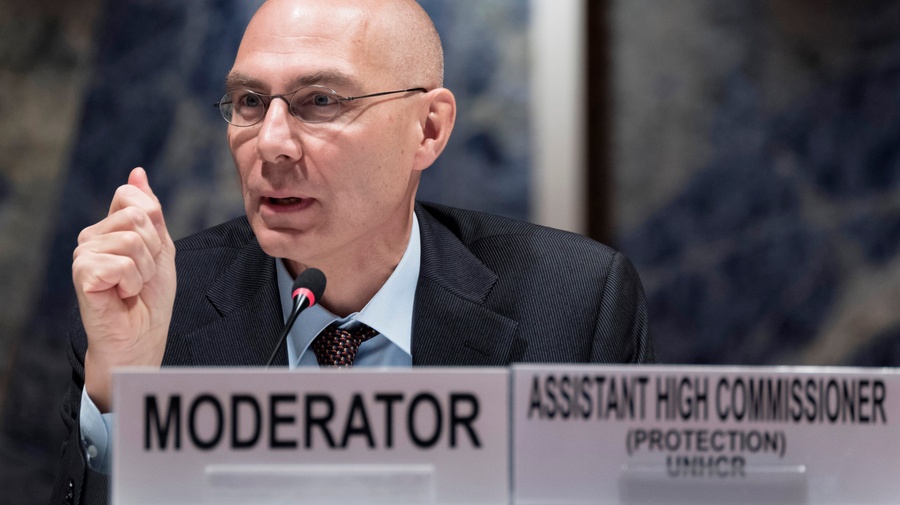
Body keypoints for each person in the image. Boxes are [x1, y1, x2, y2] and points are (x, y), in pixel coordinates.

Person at [52, 0, 655, 503]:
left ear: (428, 129)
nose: (272, 143)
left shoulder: (575, 305)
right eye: (251, 102)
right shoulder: (154, 310)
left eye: (321, 101)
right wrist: (124, 389)